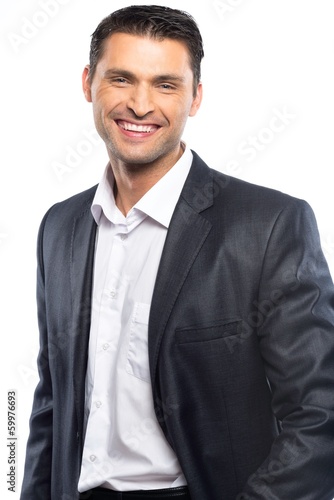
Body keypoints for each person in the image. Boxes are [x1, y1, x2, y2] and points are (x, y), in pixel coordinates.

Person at [20, 5, 334, 500]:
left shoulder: (269, 225)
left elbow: (320, 412)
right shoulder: (59, 227)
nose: (141, 105)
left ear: (196, 97)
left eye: (166, 85)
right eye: (121, 79)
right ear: (88, 83)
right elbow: (49, 402)